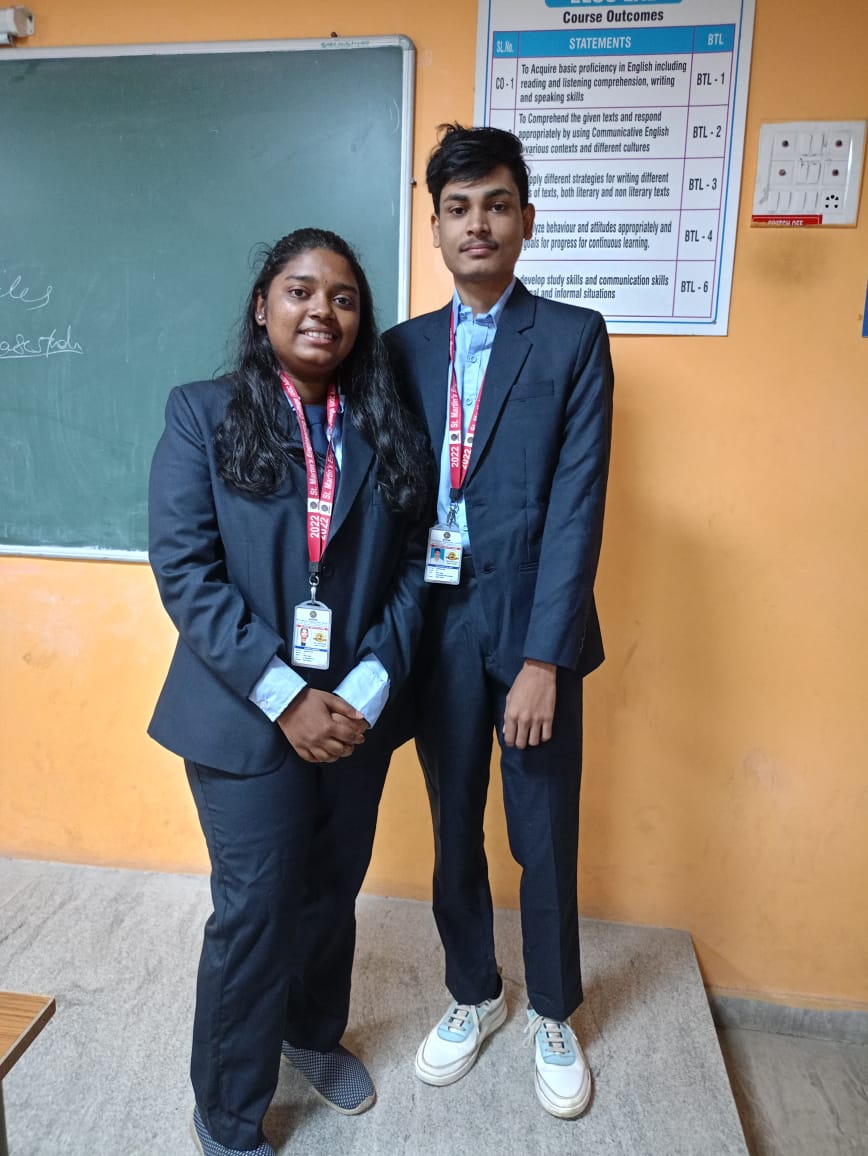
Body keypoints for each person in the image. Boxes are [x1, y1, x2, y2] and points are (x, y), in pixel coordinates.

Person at [148, 228, 430, 1156]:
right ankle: (229, 1116)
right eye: (301, 291)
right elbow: (186, 570)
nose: (322, 311)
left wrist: (368, 686)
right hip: (242, 716)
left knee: (330, 891)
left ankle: (310, 1034)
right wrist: (286, 697)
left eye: (344, 297)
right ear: (262, 306)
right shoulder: (203, 414)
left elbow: (411, 570)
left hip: (353, 714)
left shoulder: (384, 425)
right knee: (257, 909)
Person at [384, 125, 613, 1119]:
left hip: (531, 634)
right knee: (452, 826)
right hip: (434, 628)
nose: (477, 223)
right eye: (457, 207)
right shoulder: (398, 349)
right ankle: (474, 991)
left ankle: (553, 1008)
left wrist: (543, 659)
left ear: (526, 219)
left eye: (496, 204)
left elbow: (577, 507)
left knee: (542, 831)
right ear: (435, 227)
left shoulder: (572, 337)